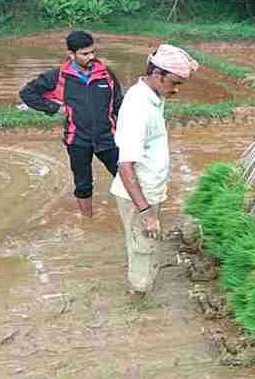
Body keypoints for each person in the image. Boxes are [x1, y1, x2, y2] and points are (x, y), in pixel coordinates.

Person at [110, 44, 198, 303]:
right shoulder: (138, 107)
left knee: (147, 242)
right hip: (139, 196)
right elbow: (125, 166)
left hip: (149, 191)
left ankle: (145, 280)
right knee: (142, 245)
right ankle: (138, 296)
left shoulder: (154, 97)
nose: (177, 90)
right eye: (175, 83)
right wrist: (146, 211)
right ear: (157, 73)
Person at [19, 30, 123, 218]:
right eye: (85, 54)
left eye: (92, 52)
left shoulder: (106, 75)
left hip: (108, 138)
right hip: (77, 140)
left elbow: (118, 105)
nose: (91, 57)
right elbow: (27, 93)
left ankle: (132, 213)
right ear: (72, 55)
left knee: (126, 176)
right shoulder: (58, 76)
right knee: (83, 185)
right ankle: (87, 220)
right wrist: (53, 107)